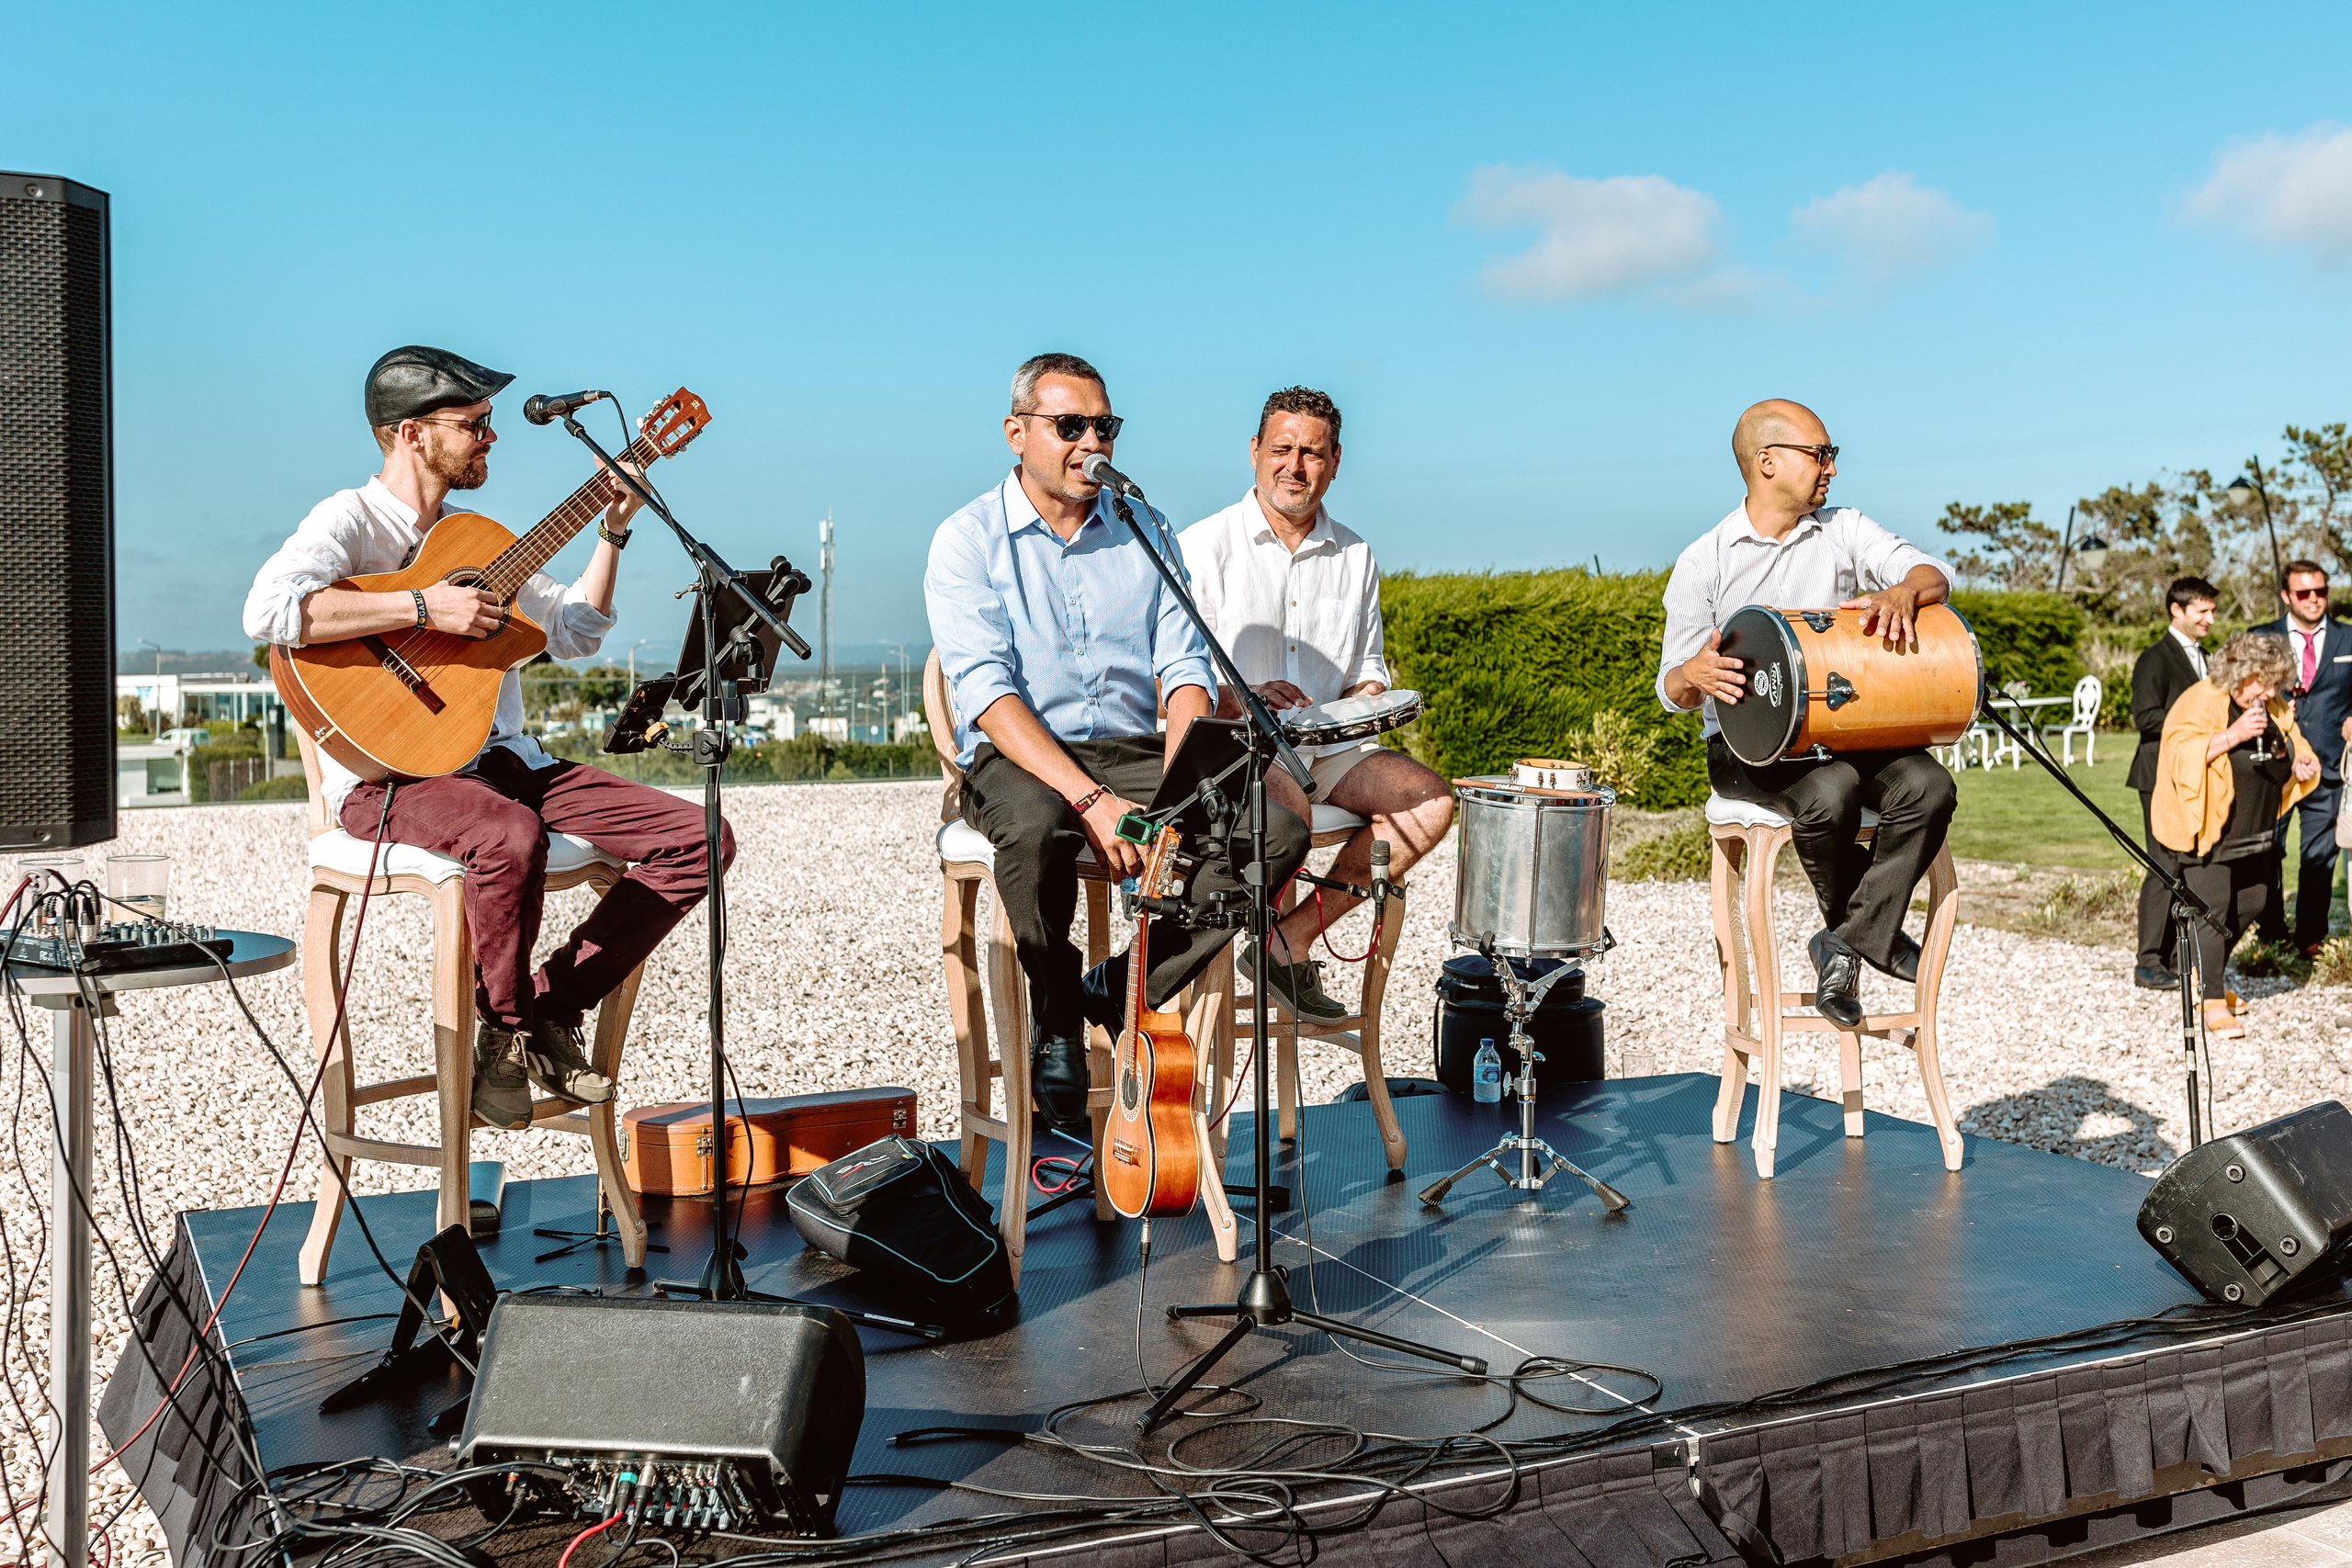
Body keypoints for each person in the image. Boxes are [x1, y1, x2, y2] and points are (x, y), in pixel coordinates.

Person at [244, 345, 734, 1129]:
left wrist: (614, 528)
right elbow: (269, 610)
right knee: (510, 833)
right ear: (411, 433)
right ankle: (498, 1034)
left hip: (505, 758)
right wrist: (419, 609)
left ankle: (546, 1005)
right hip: (387, 779)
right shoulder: (349, 520)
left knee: (700, 836)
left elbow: (574, 630)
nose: (490, 438)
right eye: (474, 424)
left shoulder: (477, 538)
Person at [924, 353, 1310, 1137]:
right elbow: (989, 697)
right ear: (1017, 433)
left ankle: (1116, 982)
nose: (1091, 442)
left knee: (1278, 828)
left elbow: (1182, 666)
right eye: (1071, 425)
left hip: (1135, 741)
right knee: (1035, 830)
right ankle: (1057, 1010)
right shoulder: (967, 539)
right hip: (1024, 751)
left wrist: (1179, 790)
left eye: (1105, 426)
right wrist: (1093, 801)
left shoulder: (1143, 525)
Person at [1657, 398, 1957, 1030]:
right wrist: (1693, 675)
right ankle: (1867, 935)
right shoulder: (1703, 562)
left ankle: (1847, 942)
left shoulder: (1844, 528)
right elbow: (1672, 687)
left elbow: (1933, 573)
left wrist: (1906, 590)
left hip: (1844, 731)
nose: (1831, 468)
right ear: (1768, 462)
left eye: (1831, 455)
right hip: (1746, 751)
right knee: (1832, 790)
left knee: (1930, 784)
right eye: (1821, 453)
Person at [1177, 387, 1455, 1020]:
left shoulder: (1357, 554)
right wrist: (1243, 698)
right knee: (1290, 805)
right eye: (1282, 449)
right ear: (1254, 452)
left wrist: (1368, 703)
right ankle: (1226, 958)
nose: (1295, 467)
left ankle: (1289, 938)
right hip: (1239, 749)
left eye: (1312, 453)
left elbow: (1368, 673)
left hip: (1329, 746)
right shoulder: (1202, 546)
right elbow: (1177, 681)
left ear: (1335, 462)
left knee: (1433, 801)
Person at [2152, 632, 2319, 1039]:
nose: (2268, 692)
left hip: (2256, 827)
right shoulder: (2201, 699)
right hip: (2209, 827)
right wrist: (2235, 734)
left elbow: (2292, 739)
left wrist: (2299, 762)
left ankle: (2202, 975)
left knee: (2254, 901)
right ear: (2239, 673)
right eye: (2262, 682)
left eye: (2275, 683)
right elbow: (2178, 754)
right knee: (2215, 907)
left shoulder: (2270, 703)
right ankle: (2210, 1000)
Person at [2256, 560, 2352, 953]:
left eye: (2321, 592)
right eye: (2303, 593)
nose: (2314, 600)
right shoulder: (2260, 639)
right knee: (2266, 851)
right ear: (2285, 596)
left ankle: (2311, 936)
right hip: (2274, 765)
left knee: (2319, 858)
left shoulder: (2350, 639)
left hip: (2327, 766)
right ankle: (2271, 932)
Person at [2129, 576, 2219, 987]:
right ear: (2176, 610)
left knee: (2187, 865)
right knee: (2163, 865)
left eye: (2212, 611)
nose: (2210, 619)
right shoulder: (2155, 658)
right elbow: (2146, 717)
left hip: (2194, 774)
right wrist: (2199, 729)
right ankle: (2147, 962)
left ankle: (2174, 956)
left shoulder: (2208, 658)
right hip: (2159, 773)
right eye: (2203, 611)